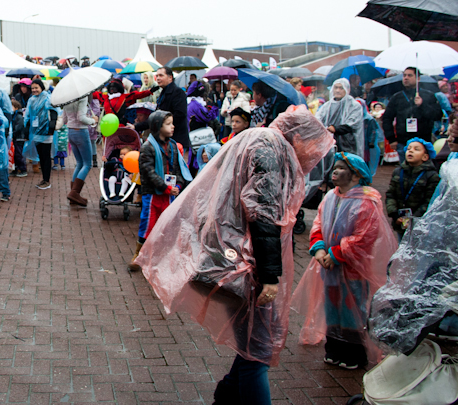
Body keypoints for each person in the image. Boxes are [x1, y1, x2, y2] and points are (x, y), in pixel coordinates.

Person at [135, 106, 335, 405]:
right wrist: (269, 276)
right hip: (242, 264)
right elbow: (264, 214)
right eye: (309, 144)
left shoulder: (255, 139)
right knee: (258, 351)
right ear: (298, 136)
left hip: (226, 257)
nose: (310, 152)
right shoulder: (271, 149)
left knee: (251, 344)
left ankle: (226, 395)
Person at [292, 153, 398, 370]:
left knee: (352, 309)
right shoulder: (331, 196)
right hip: (329, 267)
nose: (335, 171)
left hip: (353, 269)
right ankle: (334, 348)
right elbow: (319, 223)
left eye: (341, 168)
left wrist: (337, 254)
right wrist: (319, 249)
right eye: (335, 168)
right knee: (332, 306)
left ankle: (353, 353)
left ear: (356, 175)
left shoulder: (367, 201)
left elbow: (366, 235)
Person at [128, 110, 193, 272]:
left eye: (172, 123)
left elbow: (178, 167)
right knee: (147, 224)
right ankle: (139, 254)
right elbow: (148, 172)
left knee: (168, 225)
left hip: (169, 194)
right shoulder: (148, 147)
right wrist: (166, 188)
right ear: (157, 126)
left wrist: (178, 184)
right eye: (168, 124)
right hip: (153, 194)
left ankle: (163, 256)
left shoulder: (172, 145)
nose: (172, 127)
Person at [380, 68, 443, 163]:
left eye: (410, 75)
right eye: (404, 75)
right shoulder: (397, 97)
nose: (406, 78)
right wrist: (391, 138)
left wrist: (422, 105)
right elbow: (387, 118)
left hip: (423, 141)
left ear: (418, 78)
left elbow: (437, 115)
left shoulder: (428, 96)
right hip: (403, 142)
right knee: (405, 171)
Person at [385, 137, 440, 240]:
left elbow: (429, 201)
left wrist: (414, 218)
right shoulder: (398, 172)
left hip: (421, 224)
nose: (410, 150)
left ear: (425, 157)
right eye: (409, 148)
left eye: (416, 149)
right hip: (401, 222)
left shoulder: (431, 176)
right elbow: (390, 194)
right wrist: (395, 215)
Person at [131, 67, 190, 152]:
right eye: (157, 76)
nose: (158, 78)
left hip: (176, 140)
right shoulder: (163, 92)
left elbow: (179, 115)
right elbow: (155, 118)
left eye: (161, 75)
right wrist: (136, 126)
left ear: (170, 77)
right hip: (164, 140)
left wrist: (162, 125)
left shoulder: (177, 92)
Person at [315, 78, 364, 157]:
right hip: (329, 144)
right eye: (336, 87)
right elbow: (318, 119)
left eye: (341, 88)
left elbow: (352, 124)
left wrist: (335, 129)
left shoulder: (354, 105)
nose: (338, 90)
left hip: (349, 144)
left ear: (347, 89)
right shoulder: (327, 106)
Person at [23, 79, 58, 190]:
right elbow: (28, 116)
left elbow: (54, 112)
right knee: (40, 157)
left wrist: (51, 128)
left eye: (36, 87)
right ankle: (44, 179)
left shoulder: (47, 98)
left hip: (46, 132)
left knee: (46, 156)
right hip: (36, 132)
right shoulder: (31, 100)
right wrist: (27, 130)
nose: (34, 90)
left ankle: (47, 180)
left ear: (41, 87)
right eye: (32, 88)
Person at [62, 96, 96, 206]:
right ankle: (74, 193)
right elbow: (81, 118)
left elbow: (64, 119)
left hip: (71, 131)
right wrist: (92, 120)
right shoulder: (82, 96)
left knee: (80, 163)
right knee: (87, 164)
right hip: (80, 131)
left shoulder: (67, 97)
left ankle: (74, 195)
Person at [11, 99, 28, 178]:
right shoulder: (14, 116)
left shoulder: (19, 116)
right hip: (15, 137)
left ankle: (23, 169)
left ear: (16, 107)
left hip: (18, 138)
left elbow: (19, 127)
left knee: (18, 154)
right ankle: (16, 168)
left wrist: (13, 133)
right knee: (15, 154)